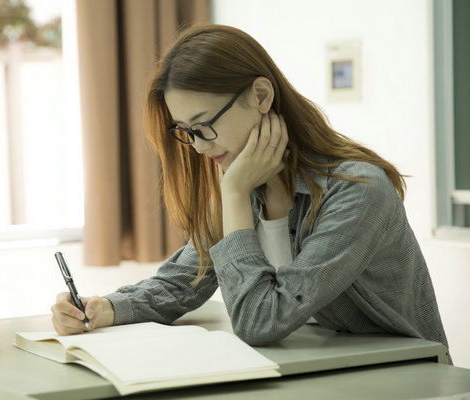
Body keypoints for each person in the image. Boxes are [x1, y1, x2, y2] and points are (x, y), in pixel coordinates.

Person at [51, 24, 450, 356]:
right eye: (187, 132)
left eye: (205, 125)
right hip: (317, 370)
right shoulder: (246, 186)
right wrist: (105, 308)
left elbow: (261, 321)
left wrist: (235, 195)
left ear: (260, 96)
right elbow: (182, 282)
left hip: (400, 379)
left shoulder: (357, 193)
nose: (201, 146)